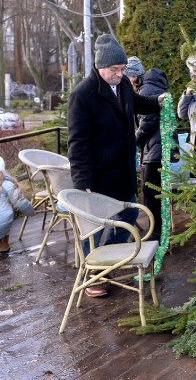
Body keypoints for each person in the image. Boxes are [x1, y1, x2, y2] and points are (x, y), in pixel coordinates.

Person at [67, 33, 164, 297]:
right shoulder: (83, 95)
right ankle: (94, 274)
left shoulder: (121, 86)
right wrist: (83, 183)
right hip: (98, 176)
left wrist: (157, 102)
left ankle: (107, 263)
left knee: (129, 215)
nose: (119, 74)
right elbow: (77, 144)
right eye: (114, 70)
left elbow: (137, 103)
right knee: (96, 227)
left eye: (122, 70)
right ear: (100, 67)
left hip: (123, 172)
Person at [135, 67, 171, 238]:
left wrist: (133, 141)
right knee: (158, 193)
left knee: (150, 193)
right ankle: (159, 231)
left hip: (155, 153)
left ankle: (155, 233)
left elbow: (147, 121)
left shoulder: (147, 89)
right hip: (162, 150)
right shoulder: (160, 89)